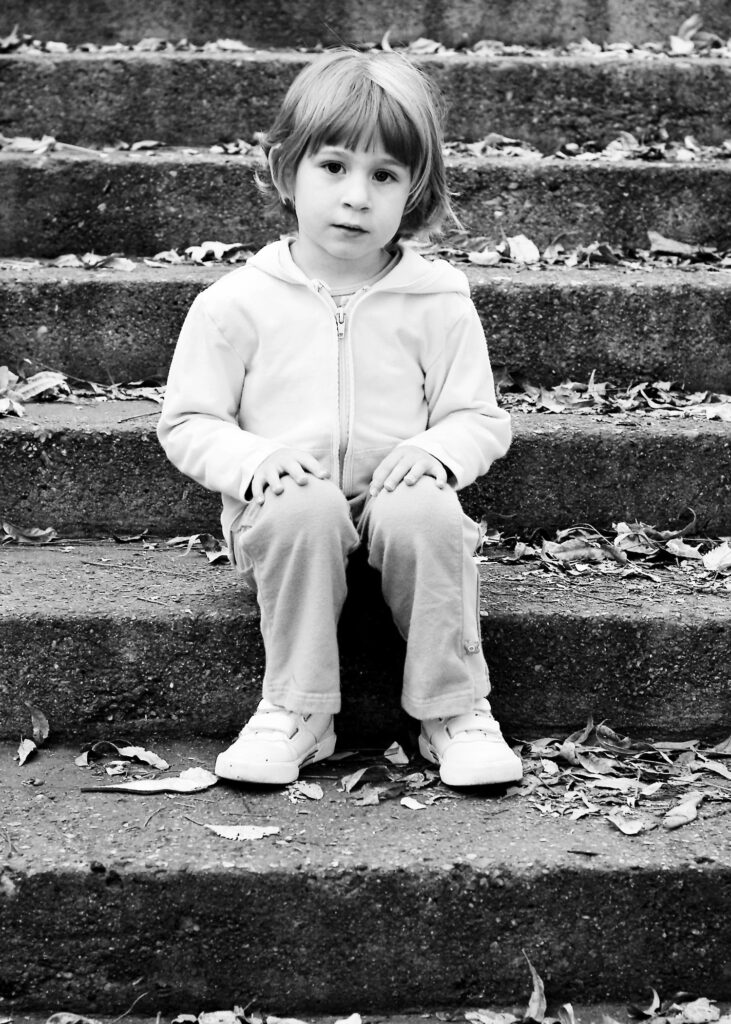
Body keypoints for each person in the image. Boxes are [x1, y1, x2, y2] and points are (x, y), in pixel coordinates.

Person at [157, 47, 522, 788]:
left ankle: (452, 710)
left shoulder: (438, 299)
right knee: (305, 507)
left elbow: (478, 417)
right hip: (287, 512)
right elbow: (189, 421)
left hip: (395, 501)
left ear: (415, 190)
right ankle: (297, 711)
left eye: (383, 175)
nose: (356, 196)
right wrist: (254, 461)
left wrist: (439, 451)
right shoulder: (236, 303)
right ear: (284, 167)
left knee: (427, 511)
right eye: (333, 167)